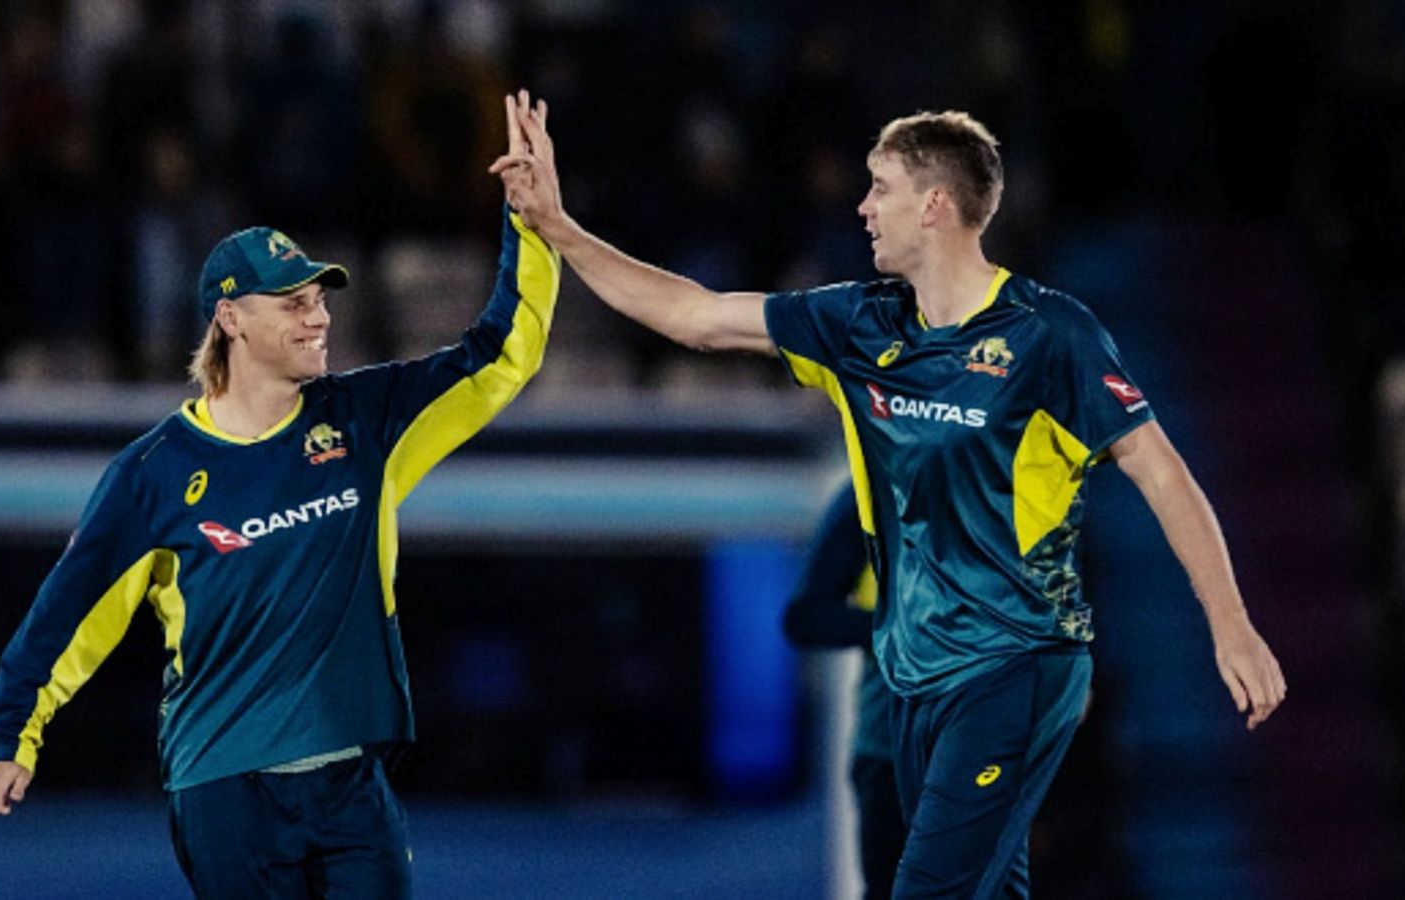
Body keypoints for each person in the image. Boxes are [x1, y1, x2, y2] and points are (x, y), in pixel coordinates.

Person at [491, 90, 1285, 898]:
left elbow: (1161, 471)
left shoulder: (1051, 335)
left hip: (1017, 665)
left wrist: (1232, 627)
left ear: (934, 205)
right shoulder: (857, 324)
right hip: (914, 678)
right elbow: (697, 316)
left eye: (881, 188)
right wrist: (559, 227)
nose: (862, 207)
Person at [0, 114, 561, 897]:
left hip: (351, 784)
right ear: (230, 319)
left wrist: (529, 223)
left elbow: (502, 355)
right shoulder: (153, 474)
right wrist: (14, 733)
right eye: (291, 303)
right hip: (224, 790)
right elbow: (70, 612)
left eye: (318, 299)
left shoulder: (368, 422)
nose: (318, 316)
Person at [782, 484, 903, 899]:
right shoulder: (873, 491)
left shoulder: (1010, 481)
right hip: (891, 742)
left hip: (995, 738)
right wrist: (907, 629)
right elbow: (806, 616)